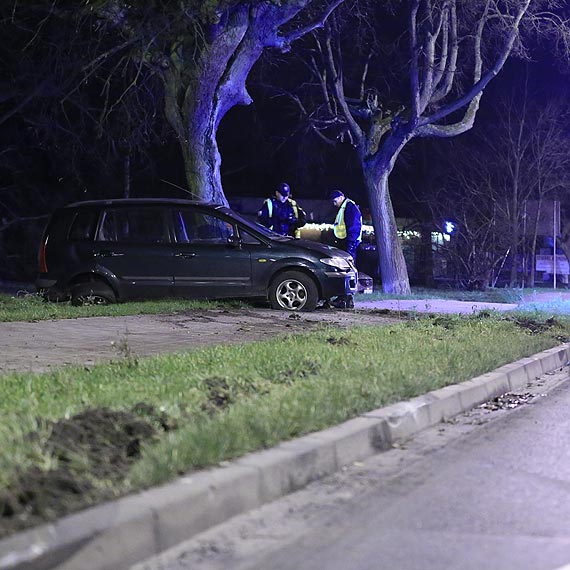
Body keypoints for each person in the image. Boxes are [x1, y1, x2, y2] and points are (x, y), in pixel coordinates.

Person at [329, 189, 362, 309]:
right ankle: (345, 299)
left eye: (335, 200)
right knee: (345, 271)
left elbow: (354, 226)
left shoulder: (349, 207)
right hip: (347, 243)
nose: (334, 204)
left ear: (341, 197)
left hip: (349, 244)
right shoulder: (345, 207)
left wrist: (350, 244)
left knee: (347, 272)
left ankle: (346, 299)